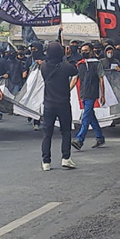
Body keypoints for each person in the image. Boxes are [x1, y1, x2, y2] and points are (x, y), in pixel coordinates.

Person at [39, 42, 78, 171]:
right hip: (63, 103)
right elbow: (75, 70)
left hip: (49, 103)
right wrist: (67, 57)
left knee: (47, 133)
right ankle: (65, 158)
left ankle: (46, 161)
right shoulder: (65, 66)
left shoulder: (44, 66)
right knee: (66, 131)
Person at [71, 43, 106, 150]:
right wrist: (67, 91)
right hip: (83, 93)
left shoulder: (96, 63)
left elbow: (101, 79)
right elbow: (74, 79)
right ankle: (100, 137)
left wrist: (103, 94)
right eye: (82, 50)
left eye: (86, 50)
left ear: (91, 51)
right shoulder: (79, 64)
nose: (83, 52)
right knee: (91, 116)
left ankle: (79, 139)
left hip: (92, 92)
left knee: (85, 117)